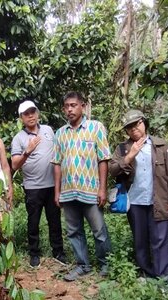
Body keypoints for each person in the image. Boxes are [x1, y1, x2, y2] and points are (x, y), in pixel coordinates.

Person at [109, 110, 168, 281]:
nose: (133, 129)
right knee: (140, 240)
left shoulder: (161, 145)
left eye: (136, 124)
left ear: (144, 122)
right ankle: (147, 274)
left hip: (158, 200)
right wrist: (129, 156)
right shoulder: (122, 148)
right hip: (135, 201)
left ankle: (163, 279)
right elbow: (112, 170)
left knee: (161, 241)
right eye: (129, 127)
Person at [53, 91, 112, 281]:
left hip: (91, 190)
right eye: (66, 106)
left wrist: (102, 188)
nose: (69, 109)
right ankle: (82, 265)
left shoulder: (96, 128)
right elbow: (57, 163)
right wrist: (57, 192)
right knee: (73, 231)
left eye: (73, 105)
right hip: (68, 192)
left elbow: (103, 158)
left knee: (99, 230)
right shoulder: (60, 133)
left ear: (83, 106)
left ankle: (105, 265)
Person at [11, 100, 66, 267]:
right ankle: (34, 253)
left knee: (54, 220)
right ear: (21, 118)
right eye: (26, 114)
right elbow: (14, 165)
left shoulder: (49, 130)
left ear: (38, 113)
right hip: (33, 187)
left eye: (33, 112)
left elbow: (59, 153)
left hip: (52, 185)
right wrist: (27, 152)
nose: (30, 116)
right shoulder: (18, 138)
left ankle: (58, 251)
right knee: (33, 221)